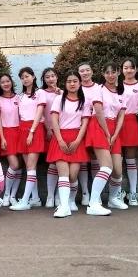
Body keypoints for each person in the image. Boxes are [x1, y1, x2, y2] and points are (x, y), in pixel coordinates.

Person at [46, 71, 90, 217]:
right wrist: (59, 140)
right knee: (63, 174)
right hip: (60, 137)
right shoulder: (59, 99)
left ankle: (71, 200)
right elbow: (54, 120)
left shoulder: (84, 101)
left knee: (73, 175)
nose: (72, 84)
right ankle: (64, 206)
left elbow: (85, 123)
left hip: (77, 138)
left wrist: (77, 141)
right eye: (69, 81)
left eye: (75, 81)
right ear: (65, 84)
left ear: (79, 83)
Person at [85, 62, 127, 216]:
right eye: (107, 72)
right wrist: (107, 133)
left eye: (113, 72)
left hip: (114, 129)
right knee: (106, 166)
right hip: (99, 126)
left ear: (118, 73)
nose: (110, 75)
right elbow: (98, 111)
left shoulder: (122, 93)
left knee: (117, 170)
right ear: (103, 74)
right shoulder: (99, 90)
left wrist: (114, 134)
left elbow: (121, 116)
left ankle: (113, 199)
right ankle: (93, 203)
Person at [9, 67, 46, 211]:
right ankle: (35, 198)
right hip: (22, 130)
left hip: (35, 129)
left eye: (27, 76)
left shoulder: (40, 93)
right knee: (30, 168)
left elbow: (39, 113)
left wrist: (32, 131)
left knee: (30, 166)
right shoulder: (20, 96)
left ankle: (24, 201)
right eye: (22, 77)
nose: (25, 79)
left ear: (33, 76)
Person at [120, 58, 138, 206]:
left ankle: (133, 193)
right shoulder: (116, 84)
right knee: (117, 160)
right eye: (126, 67)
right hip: (117, 122)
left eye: (131, 67)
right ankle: (118, 193)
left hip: (131, 122)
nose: (129, 70)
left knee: (131, 159)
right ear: (122, 70)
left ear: (136, 69)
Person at [0, 73, 22, 206]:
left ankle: (13, 196)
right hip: (7, 133)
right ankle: (6, 194)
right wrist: (2, 138)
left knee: (20, 166)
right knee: (14, 165)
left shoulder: (19, 97)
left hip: (20, 132)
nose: (6, 84)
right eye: (3, 82)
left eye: (8, 81)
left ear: (11, 82)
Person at [41, 67, 63, 209]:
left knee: (59, 163)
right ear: (44, 79)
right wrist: (48, 129)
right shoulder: (41, 93)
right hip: (47, 131)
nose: (51, 79)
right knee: (52, 163)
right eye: (47, 77)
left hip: (62, 132)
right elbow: (41, 113)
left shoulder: (63, 92)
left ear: (57, 77)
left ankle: (58, 196)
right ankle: (50, 196)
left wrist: (60, 93)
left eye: (53, 76)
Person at [77, 61, 98, 205]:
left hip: (95, 125)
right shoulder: (75, 87)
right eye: (82, 71)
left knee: (95, 157)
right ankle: (85, 192)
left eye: (87, 70)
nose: (85, 73)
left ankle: (96, 195)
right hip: (79, 126)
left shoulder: (99, 88)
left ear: (92, 71)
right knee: (83, 159)